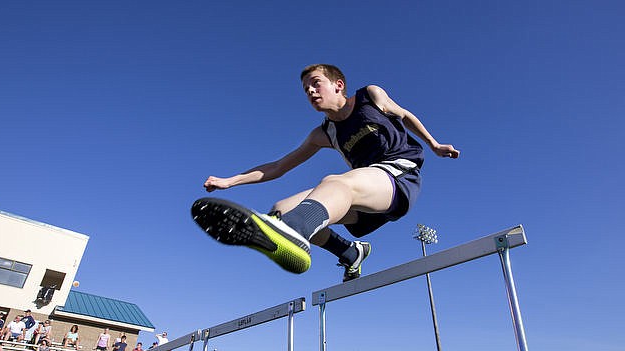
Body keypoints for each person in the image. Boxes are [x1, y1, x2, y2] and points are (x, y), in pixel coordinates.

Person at [195, 64, 459, 281]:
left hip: (399, 177)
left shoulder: (370, 96)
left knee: (334, 182)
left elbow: (404, 115)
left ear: (338, 85)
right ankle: (349, 252)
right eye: (305, 89)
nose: (310, 91)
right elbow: (278, 167)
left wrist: (434, 144)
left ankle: (294, 231)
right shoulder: (323, 134)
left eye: (316, 83)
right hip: (364, 192)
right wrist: (231, 181)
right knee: (281, 209)